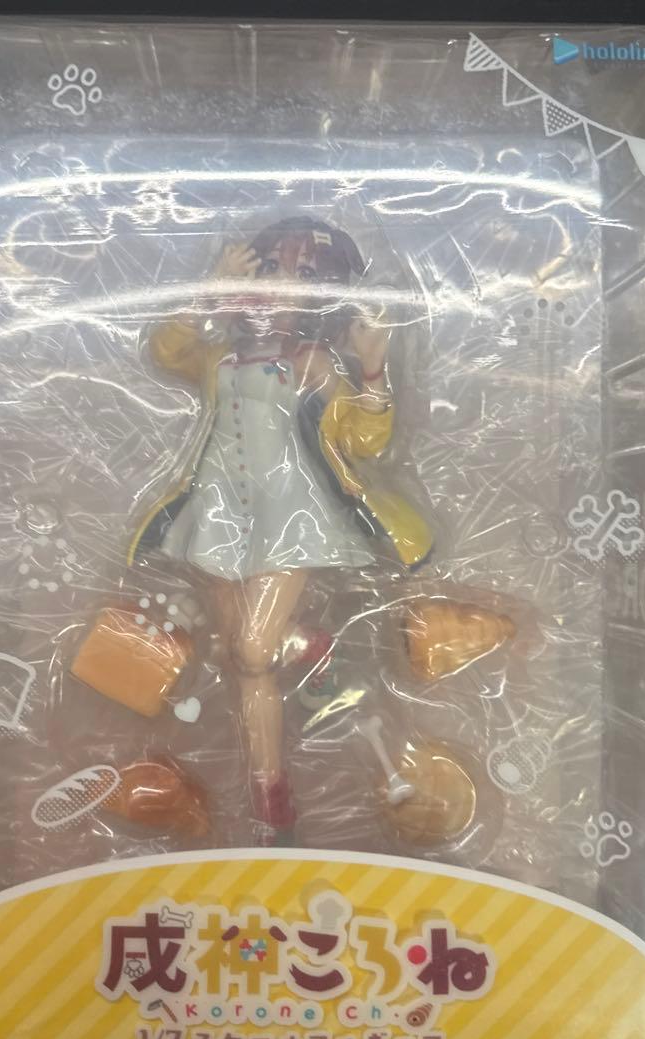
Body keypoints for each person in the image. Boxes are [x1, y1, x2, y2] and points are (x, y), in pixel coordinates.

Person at [128, 216, 431, 843]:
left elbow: (363, 440)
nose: (280, 285)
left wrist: (374, 369)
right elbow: (165, 352)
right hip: (217, 511)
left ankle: (295, 671)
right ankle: (272, 791)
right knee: (238, 655)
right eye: (270, 268)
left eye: (303, 276)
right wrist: (206, 293)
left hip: (291, 516)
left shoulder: (311, 361)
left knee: (251, 650)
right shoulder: (220, 357)